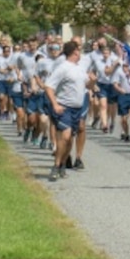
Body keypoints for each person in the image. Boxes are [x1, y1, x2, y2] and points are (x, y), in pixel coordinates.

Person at [43, 39, 90, 181]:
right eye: (79, 50)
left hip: (77, 108)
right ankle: (56, 166)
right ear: (75, 52)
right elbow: (49, 86)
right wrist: (55, 104)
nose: (80, 53)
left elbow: (88, 84)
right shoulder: (63, 67)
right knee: (65, 136)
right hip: (65, 107)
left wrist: (93, 80)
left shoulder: (80, 68)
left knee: (70, 141)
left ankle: (63, 163)